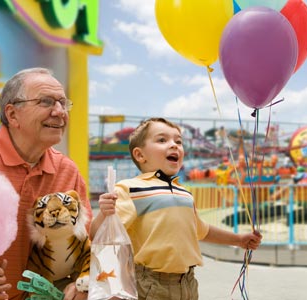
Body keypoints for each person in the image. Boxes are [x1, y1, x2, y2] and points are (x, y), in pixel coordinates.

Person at [0, 68, 92, 300]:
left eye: (63, 104)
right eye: (46, 102)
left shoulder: (67, 171)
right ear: (12, 115)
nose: (60, 112)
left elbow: (82, 243)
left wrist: (79, 283)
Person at [90, 117, 262, 300]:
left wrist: (238, 239)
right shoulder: (130, 188)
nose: (174, 145)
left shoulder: (184, 193)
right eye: (162, 140)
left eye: (178, 141)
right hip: (150, 283)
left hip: (188, 282)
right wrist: (104, 213)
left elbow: (201, 229)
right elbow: (100, 236)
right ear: (140, 155)